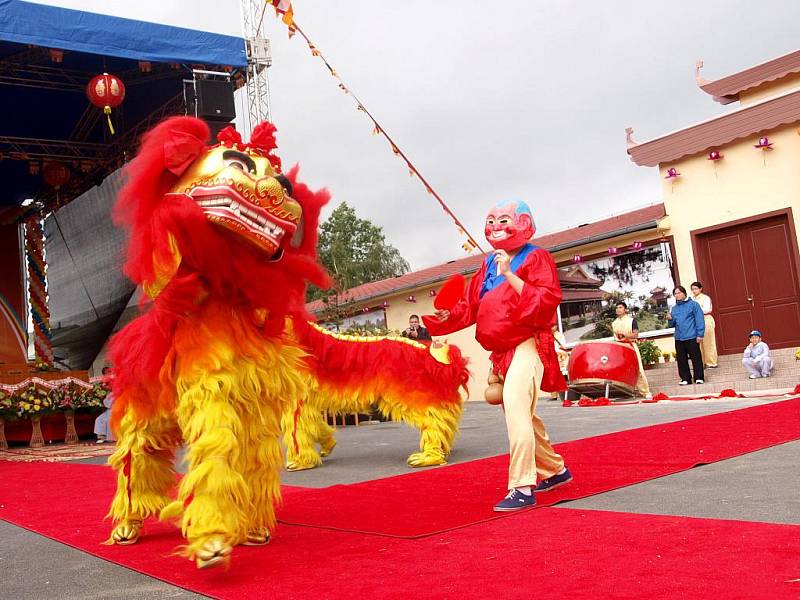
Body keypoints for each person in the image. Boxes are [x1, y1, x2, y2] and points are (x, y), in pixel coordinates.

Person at [423, 199, 571, 512]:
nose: (495, 227)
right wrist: (442, 320)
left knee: (517, 409)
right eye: (491, 221)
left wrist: (510, 273)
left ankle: (522, 486)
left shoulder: (537, 257)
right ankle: (556, 469)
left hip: (527, 344)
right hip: (502, 352)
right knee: (520, 413)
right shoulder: (488, 262)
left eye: (504, 220)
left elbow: (546, 301)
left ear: (524, 223)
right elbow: (470, 305)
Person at [611, 301, 652, 399]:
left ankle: (645, 391)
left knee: (638, 369)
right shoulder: (614, 323)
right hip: (619, 347)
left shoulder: (631, 320)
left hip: (630, 345)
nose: (618, 309)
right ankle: (624, 392)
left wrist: (625, 335)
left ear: (625, 309)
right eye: (617, 308)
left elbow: (635, 335)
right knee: (620, 369)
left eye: (620, 307)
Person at [667, 286, 705, 385]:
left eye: (679, 293)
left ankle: (699, 377)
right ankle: (686, 378)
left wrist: (700, 334)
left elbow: (699, 320)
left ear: (684, 293)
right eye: (675, 294)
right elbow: (672, 325)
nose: (677, 295)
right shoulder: (674, 308)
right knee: (681, 359)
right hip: (679, 337)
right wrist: (670, 319)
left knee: (696, 357)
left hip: (692, 335)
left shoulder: (693, 305)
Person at [690, 282, 718, 368]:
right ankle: (701, 363)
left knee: (708, 342)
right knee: (699, 343)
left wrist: (696, 311)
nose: (694, 291)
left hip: (705, 320)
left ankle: (711, 362)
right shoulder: (692, 299)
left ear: (700, 289)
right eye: (692, 289)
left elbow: (707, 309)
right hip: (695, 322)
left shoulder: (705, 298)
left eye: (696, 289)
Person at [94, 366, 115, 444]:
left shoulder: (115, 381)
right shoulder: (103, 383)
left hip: (116, 409)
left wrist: (104, 399)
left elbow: (108, 404)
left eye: (109, 372)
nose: (108, 374)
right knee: (99, 419)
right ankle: (101, 436)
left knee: (108, 419)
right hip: (109, 409)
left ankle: (111, 437)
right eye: (105, 373)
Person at [550, 323, 569, 400]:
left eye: (553, 326)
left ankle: (565, 393)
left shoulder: (560, 335)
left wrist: (556, 351)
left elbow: (563, 347)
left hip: (561, 357)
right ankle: (554, 395)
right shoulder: (547, 336)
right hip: (552, 358)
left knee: (563, 376)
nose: (552, 328)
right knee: (552, 377)